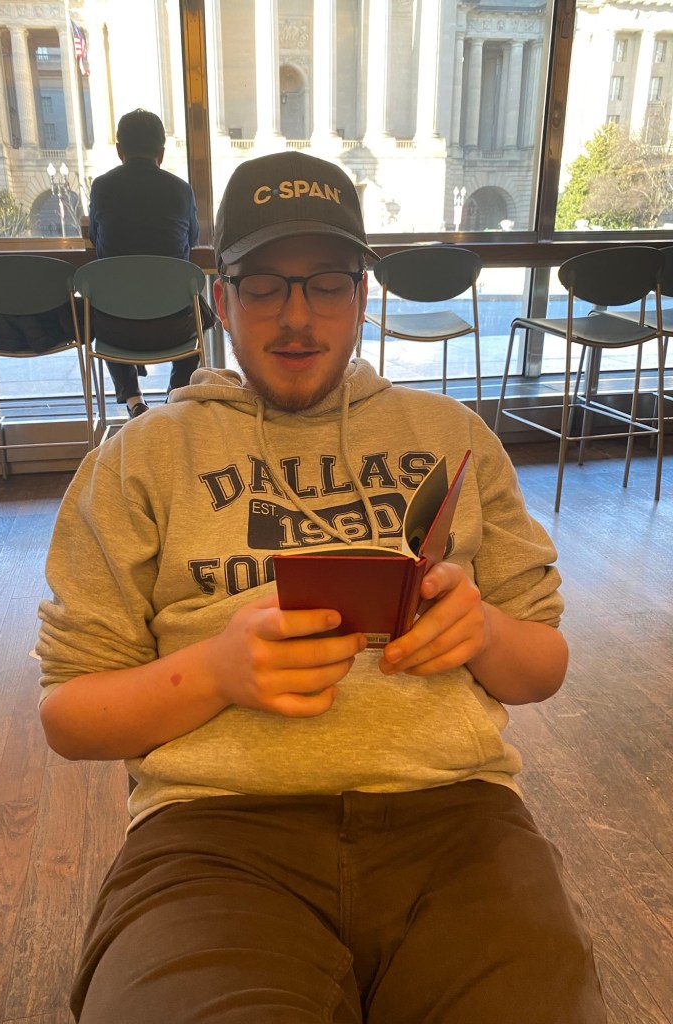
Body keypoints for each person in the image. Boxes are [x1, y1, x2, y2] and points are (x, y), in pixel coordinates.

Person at [37, 150, 607, 1023]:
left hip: (457, 820)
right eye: (263, 284)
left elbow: (542, 668)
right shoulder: (140, 460)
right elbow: (68, 716)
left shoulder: (452, 434)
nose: (296, 317)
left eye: (327, 283)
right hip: (213, 838)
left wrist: (484, 633)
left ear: (363, 296)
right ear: (220, 299)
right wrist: (220, 673)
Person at [88, 108, 214, 418]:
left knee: (101, 307)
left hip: (116, 329)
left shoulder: (102, 187)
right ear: (161, 151)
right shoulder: (180, 190)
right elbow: (193, 238)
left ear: (119, 151)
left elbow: (94, 236)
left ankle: (134, 400)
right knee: (201, 317)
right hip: (174, 326)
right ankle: (174, 398)